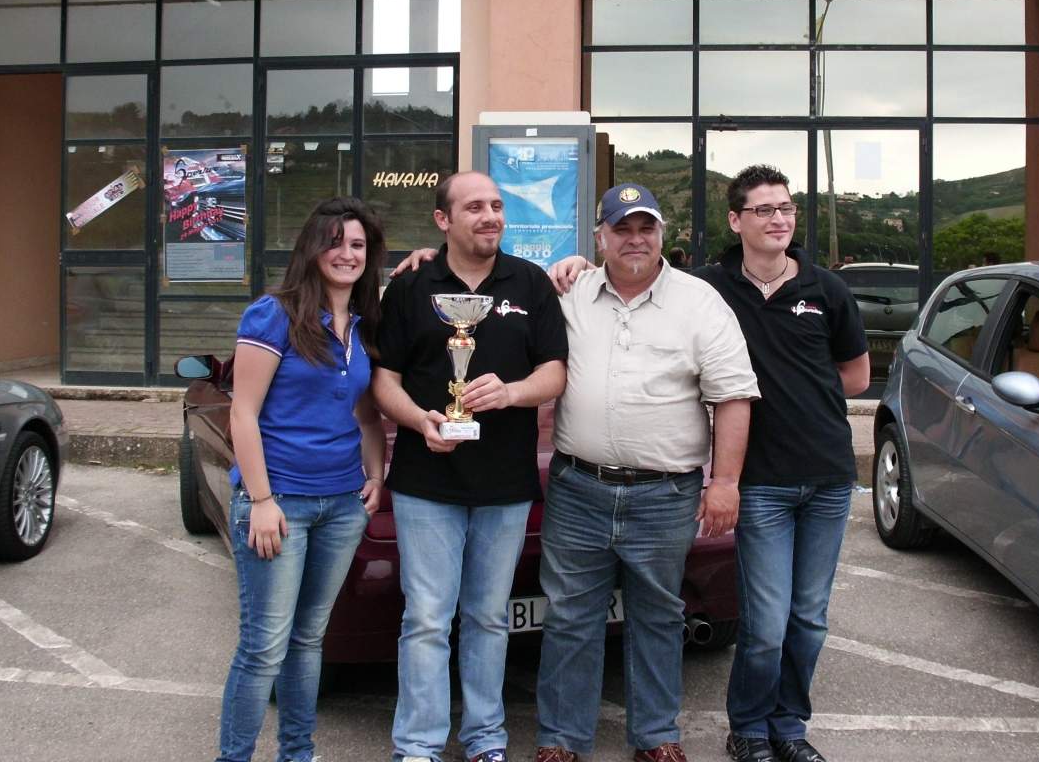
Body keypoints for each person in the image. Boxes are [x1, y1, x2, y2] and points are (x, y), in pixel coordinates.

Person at [535, 183, 759, 762]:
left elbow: (733, 396)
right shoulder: (570, 293)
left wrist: (725, 483)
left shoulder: (700, 302)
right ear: (600, 238)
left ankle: (656, 737)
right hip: (578, 488)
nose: (635, 239)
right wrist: (426, 258)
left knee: (659, 616)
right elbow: (497, 301)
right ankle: (561, 740)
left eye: (646, 228)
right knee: (570, 617)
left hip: (664, 494)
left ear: (662, 234)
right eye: (622, 229)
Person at [372, 171, 568, 762]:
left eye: (497, 206)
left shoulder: (531, 283)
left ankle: (485, 739)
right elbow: (384, 379)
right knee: (427, 619)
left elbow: (555, 371)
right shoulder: (410, 287)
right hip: (426, 483)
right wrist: (420, 421)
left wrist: (511, 393)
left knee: (487, 618)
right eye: (475, 207)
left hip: (505, 483)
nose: (491, 217)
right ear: (443, 220)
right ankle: (419, 744)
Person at [694, 166, 868, 762]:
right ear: (736, 220)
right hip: (760, 480)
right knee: (766, 623)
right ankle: (748, 727)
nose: (779, 219)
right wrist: (575, 266)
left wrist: (803, 397)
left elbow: (856, 376)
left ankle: (788, 727)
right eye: (764, 209)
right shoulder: (710, 288)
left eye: (787, 208)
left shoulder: (826, 290)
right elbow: (638, 273)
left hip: (827, 477)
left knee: (809, 618)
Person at [216, 197, 388, 762]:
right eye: (335, 243)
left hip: (341, 504)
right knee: (264, 647)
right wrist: (261, 500)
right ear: (312, 249)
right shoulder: (274, 314)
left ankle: (297, 753)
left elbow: (365, 414)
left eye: (358, 245)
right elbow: (242, 414)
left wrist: (376, 471)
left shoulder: (360, 324)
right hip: (280, 502)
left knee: (309, 640)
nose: (347, 254)